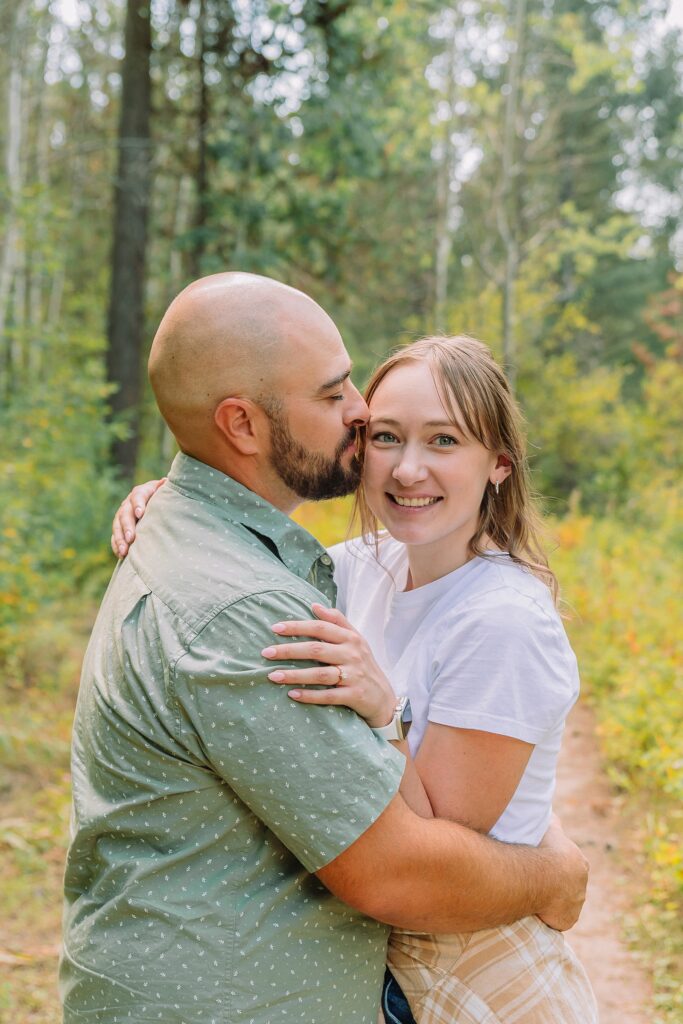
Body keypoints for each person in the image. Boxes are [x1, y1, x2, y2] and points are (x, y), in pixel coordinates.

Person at [69, 272, 588, 1024]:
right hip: (391, 965)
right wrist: (171, 492)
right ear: (242, 427)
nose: (402, 464)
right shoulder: (344, 571)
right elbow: (400, 867)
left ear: (497, 463)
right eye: (382, 433)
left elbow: (445, 849)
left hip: (471, 961)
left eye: (443, 441)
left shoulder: (502, 618)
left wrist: (388, 715)